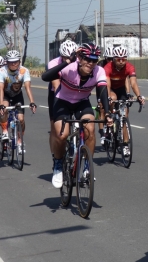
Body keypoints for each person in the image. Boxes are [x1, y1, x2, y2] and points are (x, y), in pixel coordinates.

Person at [41, 43, 112, 189]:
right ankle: (58, 164)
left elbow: (103, 91)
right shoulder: (69, 68)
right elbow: (45, 77)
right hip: (62, 102)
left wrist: (108, 113)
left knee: (90, 130)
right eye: (87, 59)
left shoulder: (99, 71)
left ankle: (87, 166)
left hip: (82, 103)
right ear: (79, 58)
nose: (90, 63)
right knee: (62, 135)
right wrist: (68, 61)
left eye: (94, 60)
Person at [101, 45, 145, 152]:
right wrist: (108, 98)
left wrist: (139, 96)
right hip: (111, 88)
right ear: (114, 59)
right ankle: (109, 121)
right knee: (113, 97)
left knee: (124, 117)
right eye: (118, 59)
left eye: (123, 59)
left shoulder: (129, 67)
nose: (121, 61)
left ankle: (125, 144)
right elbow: (107, 84)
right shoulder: (108, 67)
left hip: (121, 89)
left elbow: (133, 83)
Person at [0, 50, 37, 149]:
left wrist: (32, 102)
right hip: (5, 94)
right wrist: (1, 104)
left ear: (19, 61)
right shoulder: (1, 71)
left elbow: (27, 87)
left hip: (17, 95)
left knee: (21, 119)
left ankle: (20, 139)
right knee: (4, 109)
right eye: (11, 62)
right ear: (7, 62)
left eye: (16, 61)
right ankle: (5, 131)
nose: (14, 64)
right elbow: (0, 89)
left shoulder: (24, 71)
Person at [47, 40, 78, 144]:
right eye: (65, 57)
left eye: (72, 57)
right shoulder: (53, 63)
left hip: (74, 93)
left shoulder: (79, 62)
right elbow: (56, 86)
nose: (69, 60)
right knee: (54, 126)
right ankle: (55, 155)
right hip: (57, 93)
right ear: (61, 56)